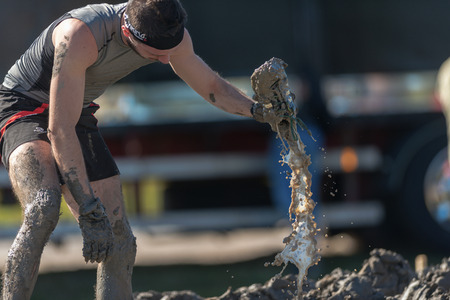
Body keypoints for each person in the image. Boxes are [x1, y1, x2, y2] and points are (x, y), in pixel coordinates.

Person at [0, 0, 273, 299]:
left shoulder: (170, 36)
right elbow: (59, 130)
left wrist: (260, 112)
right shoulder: (80, 34)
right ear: (129, 33)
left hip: (76, 111)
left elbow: (212, 87)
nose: (165, 60)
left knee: (119, 238)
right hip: (23, 108)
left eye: (169, 51)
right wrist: (88, 208)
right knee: (43, 207)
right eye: (156, 54)